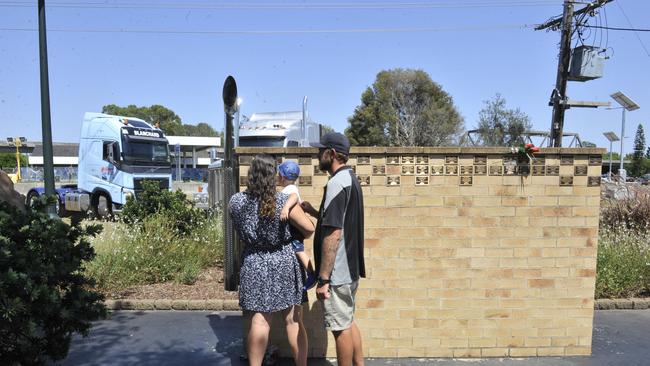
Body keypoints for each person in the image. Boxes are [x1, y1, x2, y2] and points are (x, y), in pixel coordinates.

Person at [229, 154, 314, 366]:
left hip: (254, 262)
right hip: (283, 261)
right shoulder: (283, 201)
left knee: (259, 321)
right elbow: (309, 229)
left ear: (251, 176)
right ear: (272, 176)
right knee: (293, 320)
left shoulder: (236, 201)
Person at [301, 132, 366, 366]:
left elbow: (334, 233)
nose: (318, 155)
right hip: (349, 268)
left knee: (340, 328)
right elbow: (338, 221)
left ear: (333, 154)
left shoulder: (337, 184)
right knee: (347, 321)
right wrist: (314, 212)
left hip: (338, 273)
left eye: (321, 151)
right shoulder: (351, 179)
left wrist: (324, 278)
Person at [278, 160, 317, 291]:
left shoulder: (290, 189)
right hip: (295, 228)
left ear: (282, 176)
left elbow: (294, 197)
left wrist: (285, 209)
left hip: (294, 229)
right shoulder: (292, 187)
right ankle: (310, 273)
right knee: (298, 250)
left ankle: (311, 274)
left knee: (299, 250)